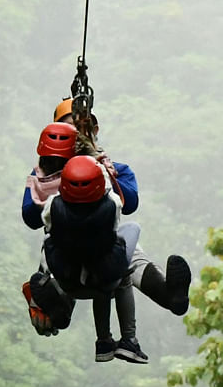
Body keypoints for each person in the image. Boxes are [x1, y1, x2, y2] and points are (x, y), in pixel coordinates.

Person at [23, 102, 191, 318]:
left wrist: (101, 174)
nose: (78, 135)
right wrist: (62, 184)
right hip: (65, 247)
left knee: (134, 254)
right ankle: (56, 308)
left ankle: (170, 294)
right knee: (53, 256)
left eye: (83, 128)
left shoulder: (113, 168)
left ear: (94, 131)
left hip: (104, 245)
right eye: (71, 129)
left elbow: (129, 202)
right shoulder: (43, 175)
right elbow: (30, 216)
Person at [40, 154, 147, 363]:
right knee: (124, 257)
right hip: (105, 275)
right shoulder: (112, 204)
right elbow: (115, 216)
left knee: (48, 240)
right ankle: (129, 341)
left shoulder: (53, 205)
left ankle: (103, 341)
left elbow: (47, 225)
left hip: (68, 276)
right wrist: (104, 168)